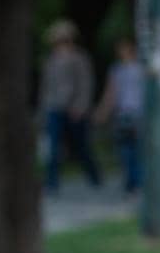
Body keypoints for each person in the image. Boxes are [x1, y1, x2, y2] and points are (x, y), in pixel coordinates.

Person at [39, 18, 101, 193]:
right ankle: (52, 183)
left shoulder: (79, 58)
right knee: (53, 147)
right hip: (54, 107)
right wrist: (44, 109)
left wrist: (80, 106)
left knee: (81, 146)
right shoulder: (50, 60)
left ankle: (94, 176)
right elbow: (45, 87)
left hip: (74, 108)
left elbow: (85, 84)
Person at [95, 38, 144, 194]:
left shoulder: (142, 68)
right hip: (123, 114)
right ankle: (131, 183)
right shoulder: (116, 70)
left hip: (139, 114)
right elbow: (111, 93)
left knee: (137, 150)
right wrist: (102, 111)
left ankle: (137, 183)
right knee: (125, 151)